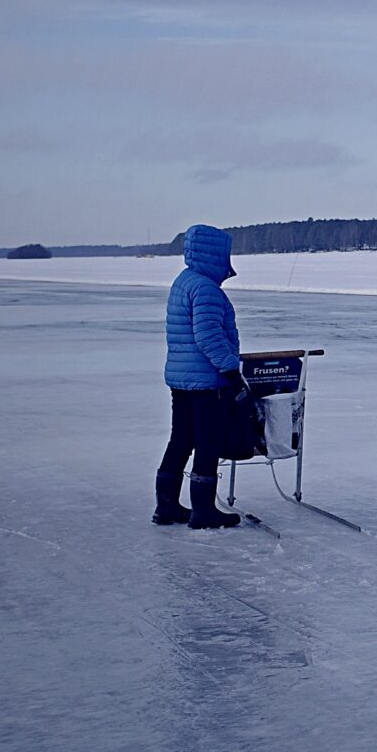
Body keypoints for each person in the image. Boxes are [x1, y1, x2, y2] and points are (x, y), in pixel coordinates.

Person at [156, 223, 245, 529]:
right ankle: (203, 510)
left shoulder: (184, 281)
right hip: (206, 381)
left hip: (181, 378)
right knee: (208, 442)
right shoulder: (205, 288)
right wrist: (230, 369)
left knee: (181, 438)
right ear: (215, 253)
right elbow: (208, 336)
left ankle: (165, 506)